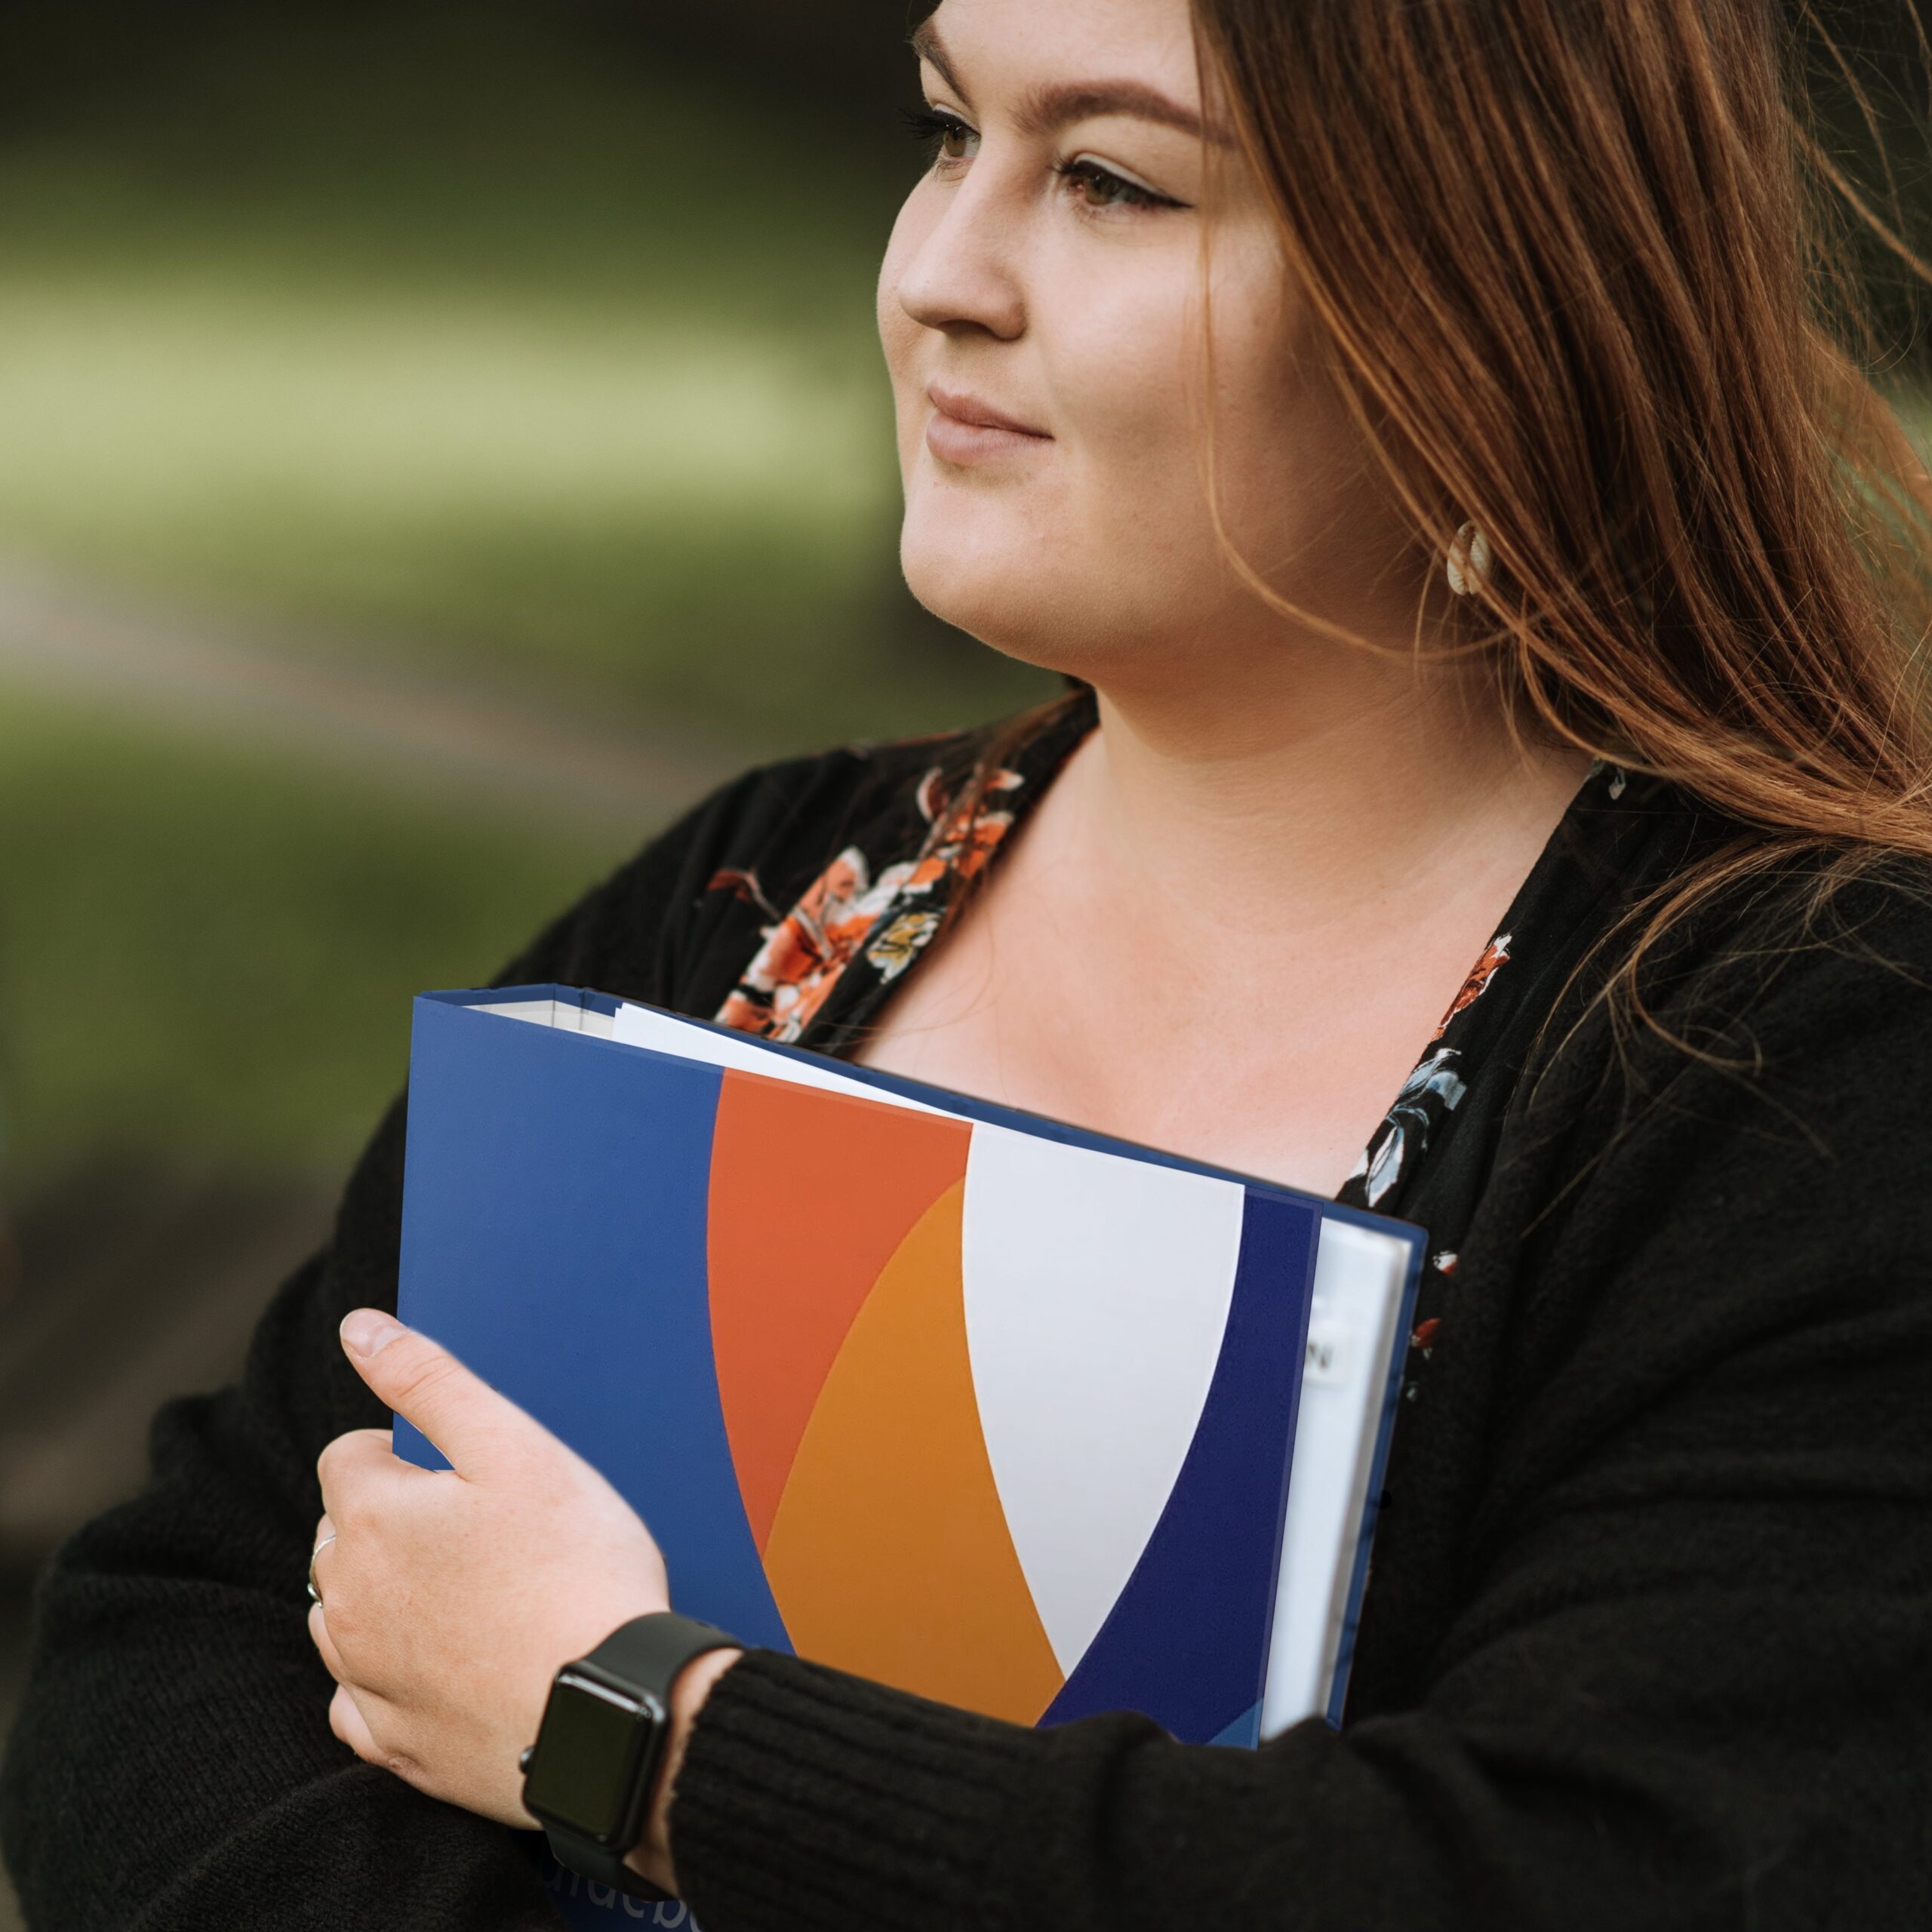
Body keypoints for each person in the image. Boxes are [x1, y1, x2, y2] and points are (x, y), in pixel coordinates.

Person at [5, 0, 1932, 1924]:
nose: (936, 274)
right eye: (945, 134)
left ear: (1485, 299)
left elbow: (1570, 1869)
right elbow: (175, 1633)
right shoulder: (761, 899)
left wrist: (637, 1721)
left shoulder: (1800, 1054)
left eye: (1107, 179)